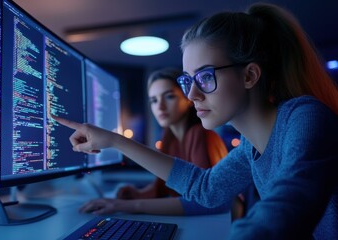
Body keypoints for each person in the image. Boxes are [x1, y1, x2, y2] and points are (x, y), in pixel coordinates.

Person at [53, 2, 338, 239]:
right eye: (188, 79)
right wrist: (114, 140)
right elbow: (205, 188)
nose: (192, 94)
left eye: (205, 76)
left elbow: (287, 206)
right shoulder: (251, 148)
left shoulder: (305, 117)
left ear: (250, 75)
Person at [79, 67, 230, 216]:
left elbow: (205, 201)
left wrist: (127, 205)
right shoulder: (169, 138)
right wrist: (136, 193)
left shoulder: (200, 134)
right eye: (153, 100)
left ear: (188, 97)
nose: (160, 106)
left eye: (169, 96)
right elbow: (163, 188)